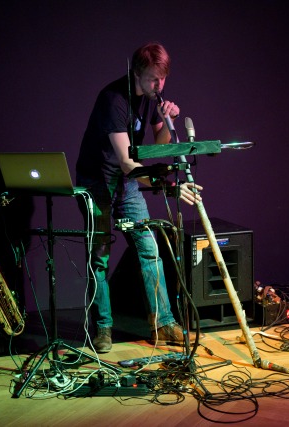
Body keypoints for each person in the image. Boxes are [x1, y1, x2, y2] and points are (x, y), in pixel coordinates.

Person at [75, 42, 202, 353]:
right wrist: (166, 185)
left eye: (163, 78)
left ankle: (162, 323)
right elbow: (127, 162)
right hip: (98, 182)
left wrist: (166, 120)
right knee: (99, 256)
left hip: (126, 182)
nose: (159, 85)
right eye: (152, 79)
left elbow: (157, 146)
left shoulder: (150, 97)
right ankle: (102, 327)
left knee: (149, 249)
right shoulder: (114, 99)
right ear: (136, 73)